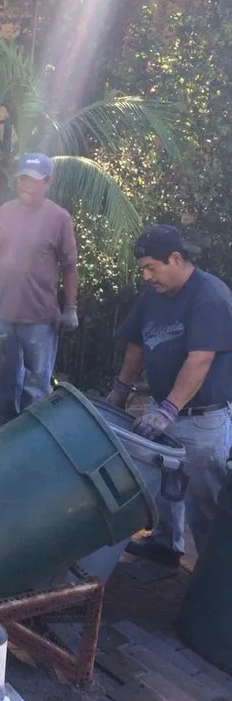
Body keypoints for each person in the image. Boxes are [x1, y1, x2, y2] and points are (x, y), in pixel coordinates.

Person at [106, 224, 232, 567]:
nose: (146, 276)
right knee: (164, 485)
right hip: (164, 407)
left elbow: (200, 358)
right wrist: (121, 389)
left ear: (175, 258)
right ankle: (165, 546)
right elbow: (136, 343)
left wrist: (170, 408)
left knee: (205, 499)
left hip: (203, 418)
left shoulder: (209, 295)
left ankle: (211, 575)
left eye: (151, 267)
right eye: (142, 269)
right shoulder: (153, 294)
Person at [0, 153, 78, 423]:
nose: (27, 185)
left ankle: (27, 436)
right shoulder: (6, 211)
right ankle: (5, 425)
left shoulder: (59, 218)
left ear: (47, 182)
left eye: (34, 180)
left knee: (36, 383)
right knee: (3, 375)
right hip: (2, 313)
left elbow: (69, 267)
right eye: (23, 179)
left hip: (39, 318)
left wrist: (70, 308)